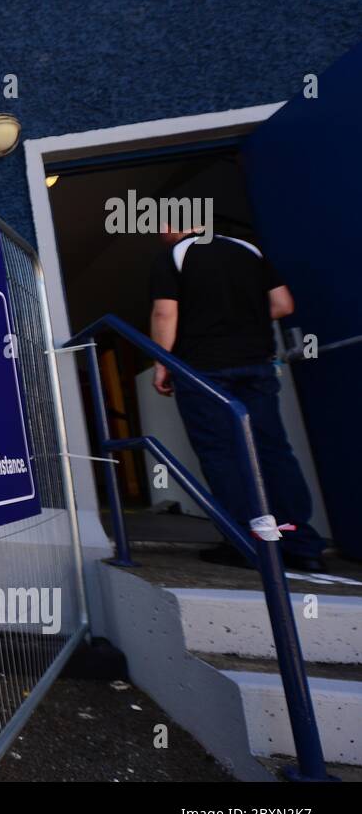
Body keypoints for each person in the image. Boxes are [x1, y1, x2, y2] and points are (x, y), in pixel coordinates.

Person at [148, 225, 327, 571]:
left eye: (163, 224)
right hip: (256, 365)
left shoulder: (174, 257)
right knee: (273, 450)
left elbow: (165, 313)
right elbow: (282, 304)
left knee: (222, 454)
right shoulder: (248, 249)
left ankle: (247, 542)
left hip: (204, 370)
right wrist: (242, 320)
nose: (160, 233)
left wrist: (161, 362)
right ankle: (302, 544)